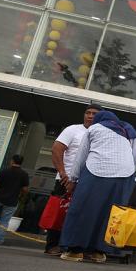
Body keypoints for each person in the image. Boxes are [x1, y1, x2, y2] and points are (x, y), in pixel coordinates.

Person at [59, 111, 136, 263]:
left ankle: (75, 251)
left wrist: (74, 178)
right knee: (112, 215)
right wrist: (129, 172)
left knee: (83, 209)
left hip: (97, 170)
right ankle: (99, 252)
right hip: (124, 175)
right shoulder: (129, 130)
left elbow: (81, 156)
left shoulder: (94, 128)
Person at [44, 103, 101, 255]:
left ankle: (71, 246)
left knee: (79, 215)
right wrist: (63, 173)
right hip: (65, 179)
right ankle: (52, 246)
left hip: (87, 182)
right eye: (88, 112)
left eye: (94, 114)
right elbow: (57, 149)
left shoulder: (101, 134)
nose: (90, 116)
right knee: (59, 213)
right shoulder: (72, 129)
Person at [0, 154, 29, 245]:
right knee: (4, 222)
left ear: (12, 161)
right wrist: (21, 195)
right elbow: (25, 189)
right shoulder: (24, 174)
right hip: (11, 202)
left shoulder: (4, 171)